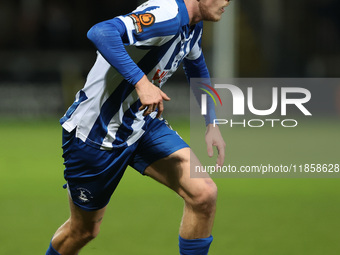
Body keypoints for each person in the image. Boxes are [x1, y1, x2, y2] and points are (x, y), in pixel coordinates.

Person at [46, 0, 229, 254]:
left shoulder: (193, 27)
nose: (227, 2)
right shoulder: (167, 15)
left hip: (142, 123)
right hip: (97, 134)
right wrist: (142, 83)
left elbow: (196, 67)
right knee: (83, 231)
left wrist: (211, 122)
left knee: (204, 194)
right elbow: (101, 32)